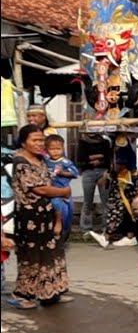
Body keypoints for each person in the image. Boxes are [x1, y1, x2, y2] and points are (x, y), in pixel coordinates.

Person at [7, 125, 72, 309]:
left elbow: (49, 182)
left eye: (41, 140)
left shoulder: (42, 160)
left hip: (47, 214)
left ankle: (51, 293)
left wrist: (58, 213)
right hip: (29, 218)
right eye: (34, 140)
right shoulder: (21, 162)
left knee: (52, 254)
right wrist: (64, 192)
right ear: (23, 142)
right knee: (32, 257)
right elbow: (39, 188)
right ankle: (22, 294)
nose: (39, 144)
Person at [89, 132, 138, 249]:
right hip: (126, 179)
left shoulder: (120, 140)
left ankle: (107, 236)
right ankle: (130, 236)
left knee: (115, 208)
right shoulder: (117, 139)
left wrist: (109, 174)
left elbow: (120, 163)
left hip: (124, 180)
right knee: (127, 209)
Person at [43, 134, 79, 243]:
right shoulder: (46, 161)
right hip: (52, 190)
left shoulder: (65, 162)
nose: (55, 152)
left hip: (63, 189)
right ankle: (57, 223)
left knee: (69, 213)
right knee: (55, 202)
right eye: (52, 149)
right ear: (47, 150)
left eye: (58, 149)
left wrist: (63, 173)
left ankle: (63, 228)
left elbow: (75, 173)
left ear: (63, 149)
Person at [77, 130, 111, 231]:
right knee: (88, 201)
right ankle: (86, 228)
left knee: (106, 200)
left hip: (103, 173)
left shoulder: (105, 142)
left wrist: (92, 158)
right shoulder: (82, 142)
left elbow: (108, 158)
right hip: (88, 172)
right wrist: (99, 157)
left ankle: (107, 227)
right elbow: (81, 158)